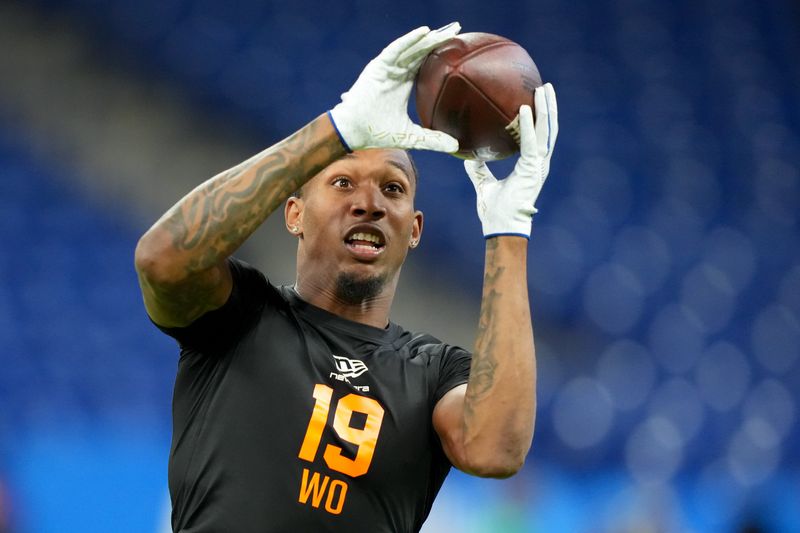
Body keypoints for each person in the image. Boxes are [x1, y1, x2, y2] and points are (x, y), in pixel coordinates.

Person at [135, 22, 558, 532]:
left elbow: (496, 449)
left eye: (394, 189)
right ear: (293, 214)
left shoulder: (432, 372)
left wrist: (509, 231)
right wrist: (338, 128)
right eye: (341, 182)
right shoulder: (240, 317)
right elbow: (162, 260)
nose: (369, 203)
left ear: (414, 230)